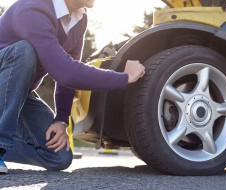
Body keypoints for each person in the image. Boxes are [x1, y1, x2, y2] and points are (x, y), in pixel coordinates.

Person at [0, 0, 145, 174]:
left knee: (59, 156)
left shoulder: (79, 19)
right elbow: (65, 72)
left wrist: (61, 119)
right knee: (24, 51)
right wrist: (124, 78)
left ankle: (4, 147)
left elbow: (69, 71)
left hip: (19, 93)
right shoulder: (32, 9)